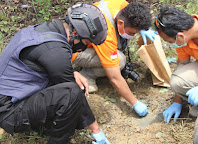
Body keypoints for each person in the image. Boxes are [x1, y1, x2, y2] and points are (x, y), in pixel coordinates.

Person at [0, 3, 111, 144]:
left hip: (8, 96)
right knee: (72, 93)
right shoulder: (55, 51)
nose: (85, 47)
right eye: (86, 41)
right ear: (75, 33)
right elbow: (73, 93)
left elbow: (50, 65)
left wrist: (71, 73)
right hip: (9, 113)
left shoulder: (43, 30)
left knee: (69, 84)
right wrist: (96, 130)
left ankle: (43, 125)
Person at [72, 0, 156, 117]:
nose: (133, 36)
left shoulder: (123, 6)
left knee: (116, 57)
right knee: (119, 60)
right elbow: (115, 78)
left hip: (82, 38)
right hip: (74, 52)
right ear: (120, 23)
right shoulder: (105, 35)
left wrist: (143, 29)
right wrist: (135, 103)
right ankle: (87, 75)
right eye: (132, 33)